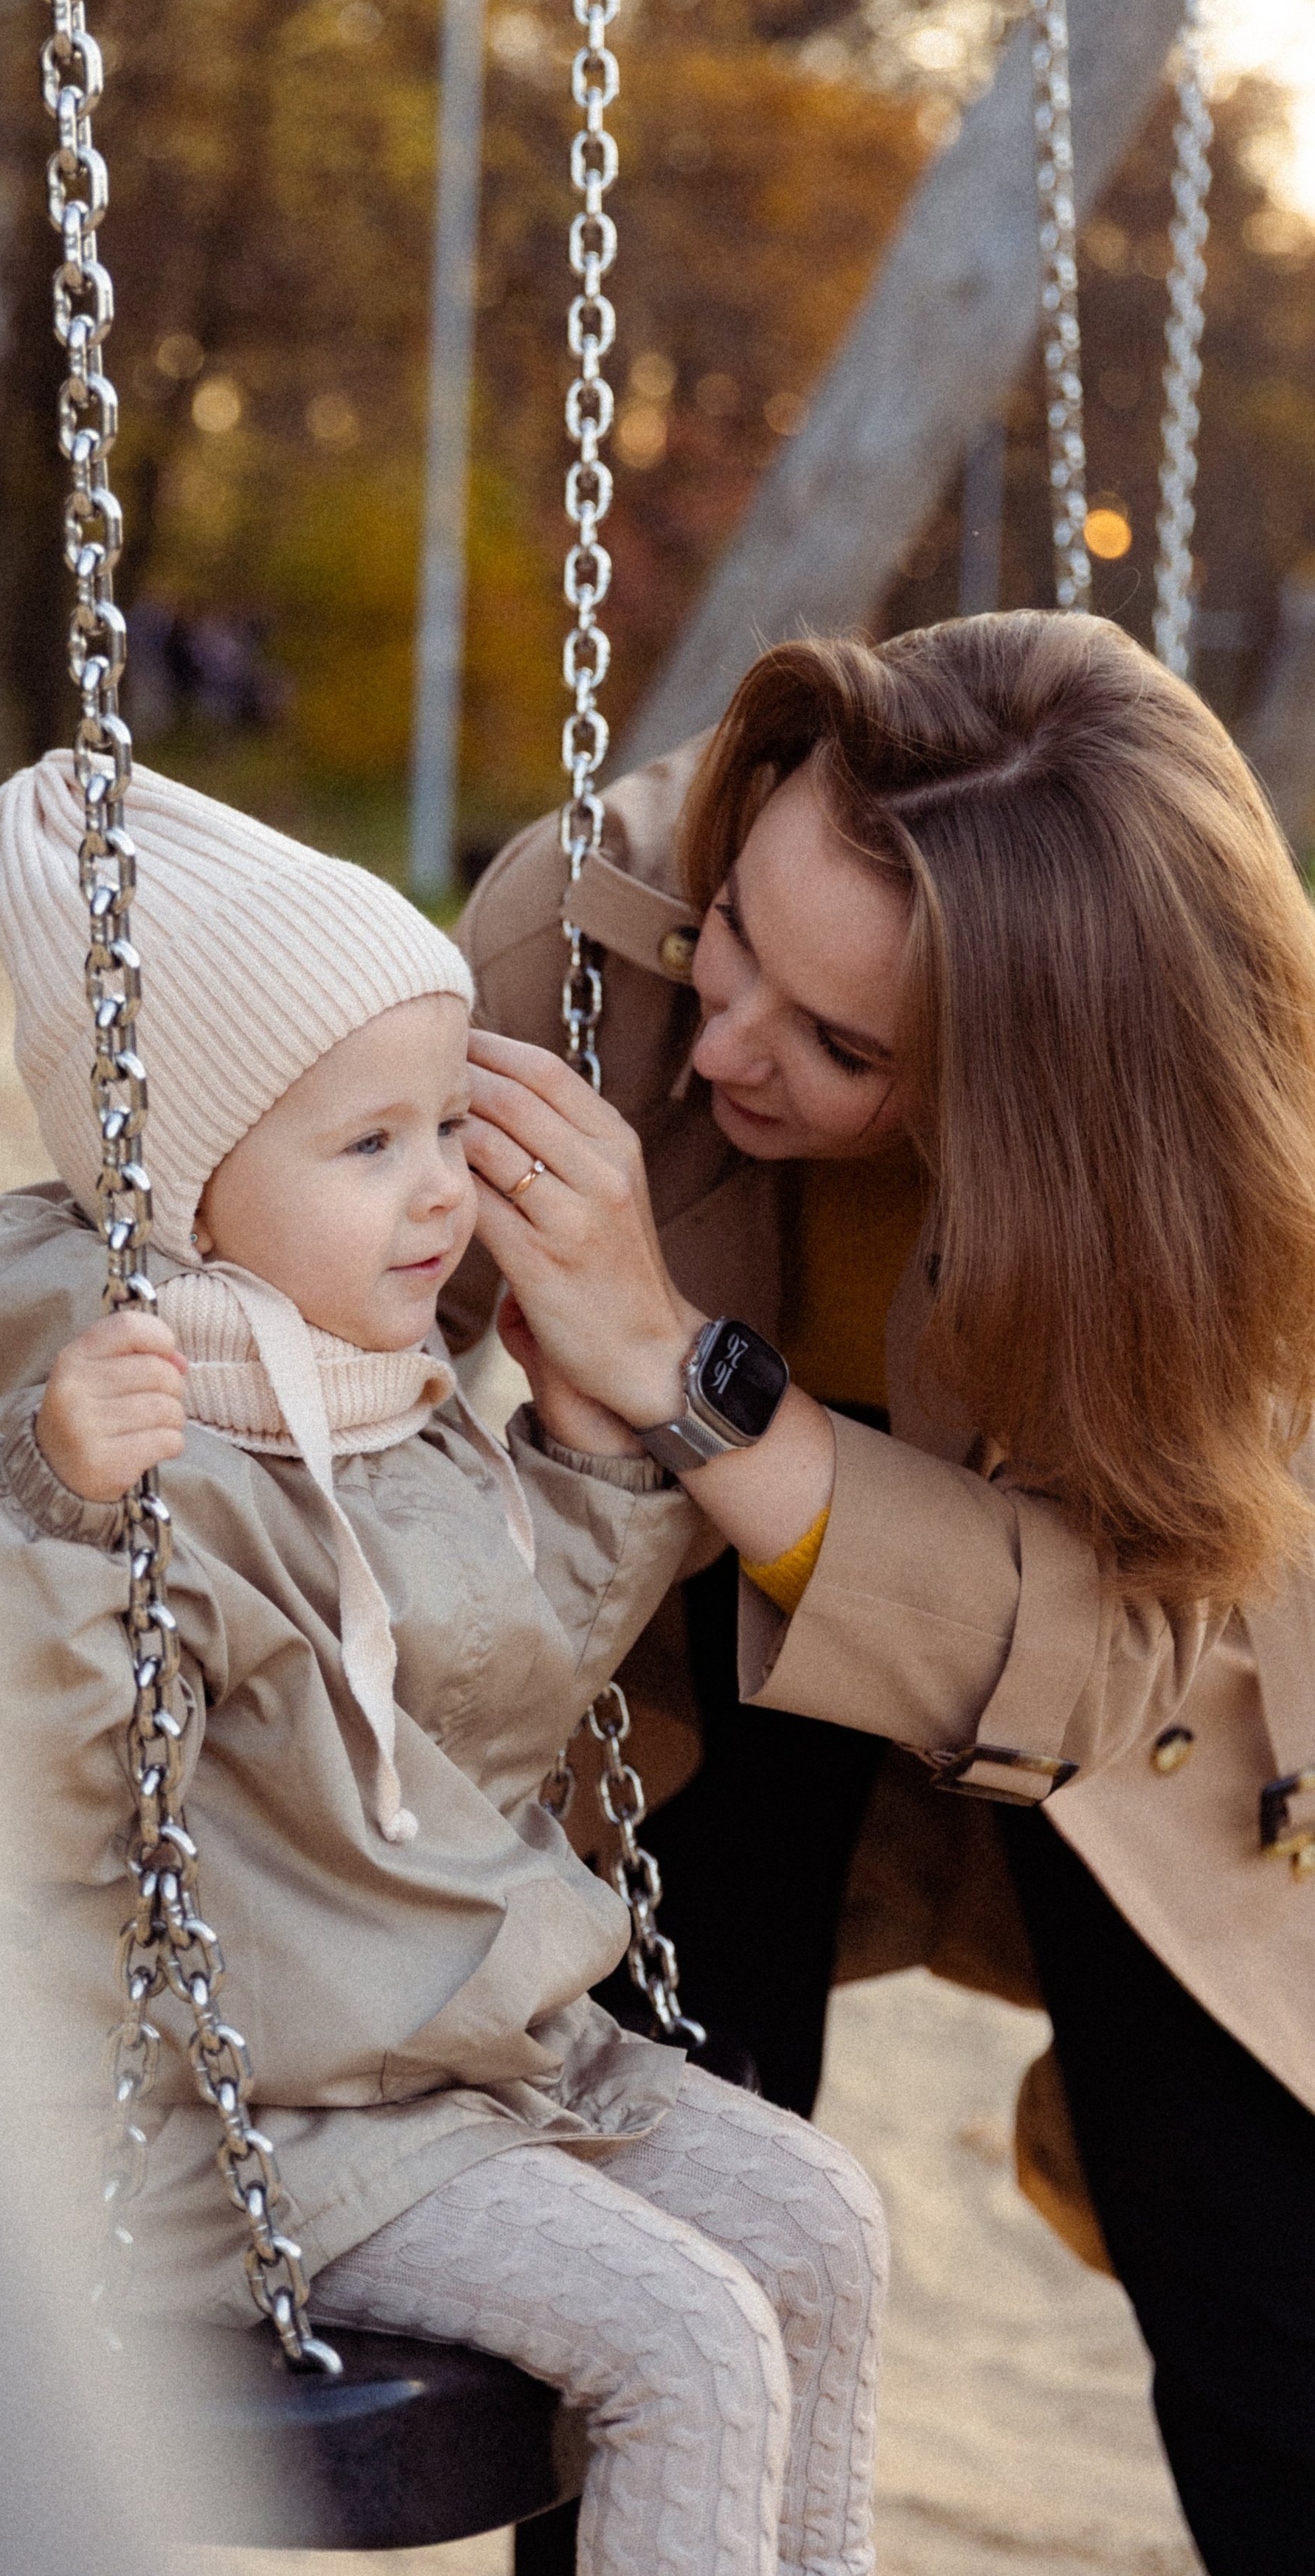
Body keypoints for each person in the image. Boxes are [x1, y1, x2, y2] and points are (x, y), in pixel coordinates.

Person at [0, 758, 886, 2576]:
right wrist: (57, 1507)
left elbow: (492, 1690)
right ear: (181, 1181)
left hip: (480, 2041)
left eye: (438, 1131)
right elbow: (14, 1785)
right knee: (686, 2339)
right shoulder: (134, 1434)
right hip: (274, 2112)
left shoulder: (366, 1389)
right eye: (364, 1145)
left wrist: (580, 1461)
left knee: (818, 2222)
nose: (437, 1198)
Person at [447, 608, 1315, 2576]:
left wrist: (678, 1366)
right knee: (672, 2214)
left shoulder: (1197, 1145)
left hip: (1140, 1675)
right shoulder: (595, 927)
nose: (735, 1038)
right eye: (743, 929)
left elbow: (1112, 1659)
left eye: (845, 1048)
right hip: (687, 1635)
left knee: (1250, 2254)